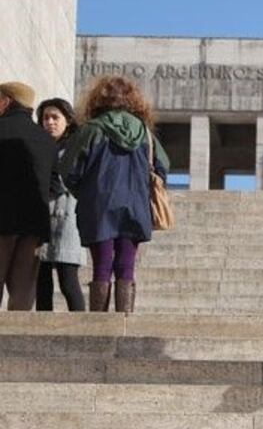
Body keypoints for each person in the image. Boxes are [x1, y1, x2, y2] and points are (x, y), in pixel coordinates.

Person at [59, 76, 170, 313]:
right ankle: (124, 320)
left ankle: (99, 323)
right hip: (134, 205)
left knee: (101, 264)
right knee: (126, 265)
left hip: (98, 205)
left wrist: (84, 191)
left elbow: (68, 169)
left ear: (98, 99)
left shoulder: (91, 130)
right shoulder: (143, 132)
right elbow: (163, 166)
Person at [0, 81, 58, 310]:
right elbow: (55, 183)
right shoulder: (46, 139)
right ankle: (15, 337)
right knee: (23, 286)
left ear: (6, 101)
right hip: (34, 222)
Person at [35, 98, 85, 312]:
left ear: (68, 120)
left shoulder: (77, 146)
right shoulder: (38, 146)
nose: (50, 122)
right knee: (41, 281)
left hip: (68, 217)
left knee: (68, 279)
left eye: (55, 117)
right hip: (42, 219)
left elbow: (70, 180)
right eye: (45, 118)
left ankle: (82, 328)